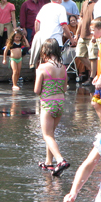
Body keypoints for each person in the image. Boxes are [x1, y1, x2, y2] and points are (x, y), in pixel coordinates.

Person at [34, 38, 69, 176]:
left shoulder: (42, 67)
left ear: (45, 51)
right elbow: (65, 88)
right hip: (60, 103)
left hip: (48, 104)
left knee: (47, 135)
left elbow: (37, 90)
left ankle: (60, 160)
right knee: (51, 135)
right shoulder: (63, 67)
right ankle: (49, 162)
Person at [30, 0, 72, 68]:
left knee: (44, 62)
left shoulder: (44, 7)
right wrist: (71, 39)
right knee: (54, 63)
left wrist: (38, 34)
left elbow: (37, 22)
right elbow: (64, 25)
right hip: (55, 41)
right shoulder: (61, 8)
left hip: (44, 41)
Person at [75, 0, 100, 86]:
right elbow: (80, 19)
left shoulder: (98, 3)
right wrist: (77, 33)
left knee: (93, 56)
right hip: (83, 34)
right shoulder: (84, 3)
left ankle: (92, 77)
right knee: (79, 54)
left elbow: (99, 21)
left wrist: (95, 35)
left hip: (92, 35)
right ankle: (98, 72)